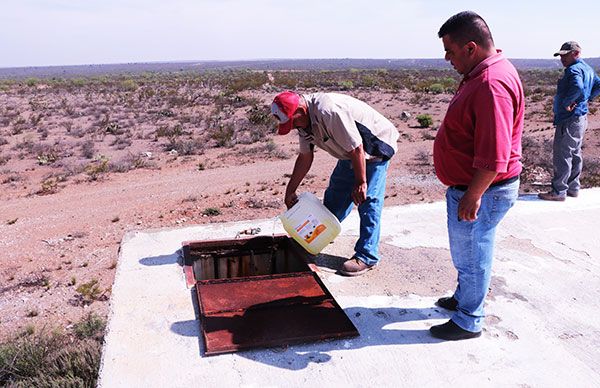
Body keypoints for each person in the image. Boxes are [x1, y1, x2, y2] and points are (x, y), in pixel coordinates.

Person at [431, 11, 524, 340]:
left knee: (473, 255)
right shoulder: (482, 72)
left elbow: (495, 155)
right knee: (467, 253)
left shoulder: (490, 84)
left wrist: (472, 195)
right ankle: (462, 299)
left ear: (470, 47)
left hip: (483, 190)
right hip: (475, 188)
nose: (447, 58)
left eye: (451, 51)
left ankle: (469, 320)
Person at [271, 91, 399, 276]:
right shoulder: (304, 121)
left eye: (292, 123)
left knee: (367, 201)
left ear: (300, 110)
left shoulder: (328, 110)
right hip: (350, 152)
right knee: (335, 196)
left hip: (374, 146)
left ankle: (367, 256)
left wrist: (361, 182)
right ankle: (323, 234)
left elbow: (357, 148)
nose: (293, 128)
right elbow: (306, 156)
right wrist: (290, 190)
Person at [538, 41, 600, 201]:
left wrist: (568, 102)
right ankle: (573, 188)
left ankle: (559, 191)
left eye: (566, 55)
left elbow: (578, 88)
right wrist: (586, 99)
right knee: (575, 152)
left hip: (569, 119)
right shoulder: (587, 68)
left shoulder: (573, 70)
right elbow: (598, 85)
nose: (562, 58)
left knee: (562, 154)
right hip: (580, 118)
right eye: (561, 55)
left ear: (576, 53)